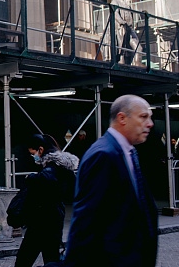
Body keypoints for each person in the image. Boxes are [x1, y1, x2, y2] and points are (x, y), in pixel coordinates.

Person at [63, 95, 158, 267]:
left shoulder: (127, 152)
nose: (150, 123)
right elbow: (85, 222)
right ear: (122, 118)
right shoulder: (103, 155)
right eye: (143, 117)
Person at [14, 134, 78, 267]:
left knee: (24, 260)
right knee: (51, 259)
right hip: (54, 222)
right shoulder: (63, 168)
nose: (33, 157)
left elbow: (45, 187)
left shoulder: (48, 171)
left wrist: (32, 178)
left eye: (33, 153)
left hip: (40, 223)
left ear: (41, 149)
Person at [111, 0, 140, 65]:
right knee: (122, 47)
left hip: (129, 28)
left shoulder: (126, 3)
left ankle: (137, 63)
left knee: (138, 47)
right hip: (121, 28)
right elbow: (115, 13)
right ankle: (121, 62)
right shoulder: (115, 1)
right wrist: (121, 21)